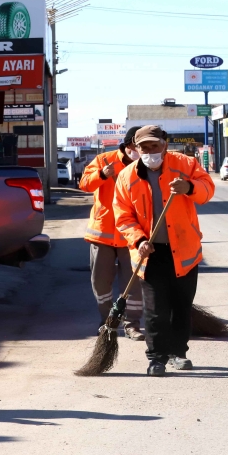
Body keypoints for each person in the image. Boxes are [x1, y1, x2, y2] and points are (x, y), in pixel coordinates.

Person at [113, 125, 215, 376]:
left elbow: (207, 190)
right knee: (156, 310)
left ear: (165, 145)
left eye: (154, 146)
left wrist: (189, 187)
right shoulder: (127, 177)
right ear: (136, 149)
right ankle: (156, 357)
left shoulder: (186, 165)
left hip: (185, 251)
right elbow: (123, 216)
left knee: (181, 306)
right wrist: (138, 240)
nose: (149, 152)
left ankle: (178, 353)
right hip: (150, 254)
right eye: (144, 148)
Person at [80, 127, 145, 340]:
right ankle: (108, 321)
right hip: (103, 234)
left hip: (132, 234)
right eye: (138, 147)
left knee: (133, 282)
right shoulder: (103, 160)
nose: (141, 151)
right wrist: (102, 174)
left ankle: (132, 324)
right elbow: (85, 184)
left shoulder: (146, 165)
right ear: (128, 146)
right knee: (100, 281)